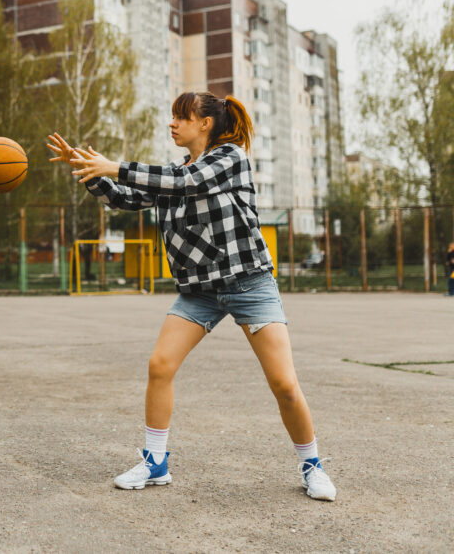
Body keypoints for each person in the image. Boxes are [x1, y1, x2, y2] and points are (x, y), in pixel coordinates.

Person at [47, 91, 336, 502]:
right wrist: (93, 173)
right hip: (198, 291)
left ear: (205, 123)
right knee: (160, 365)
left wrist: (115, 165)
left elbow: (187, 182)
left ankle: (313, 467)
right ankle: (155, 463)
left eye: (181, 117)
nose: (172, 124)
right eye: (172, 117)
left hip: (249, 283)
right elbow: (127, 198)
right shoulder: (172, 170)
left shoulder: (230, 158)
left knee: (284, 385)